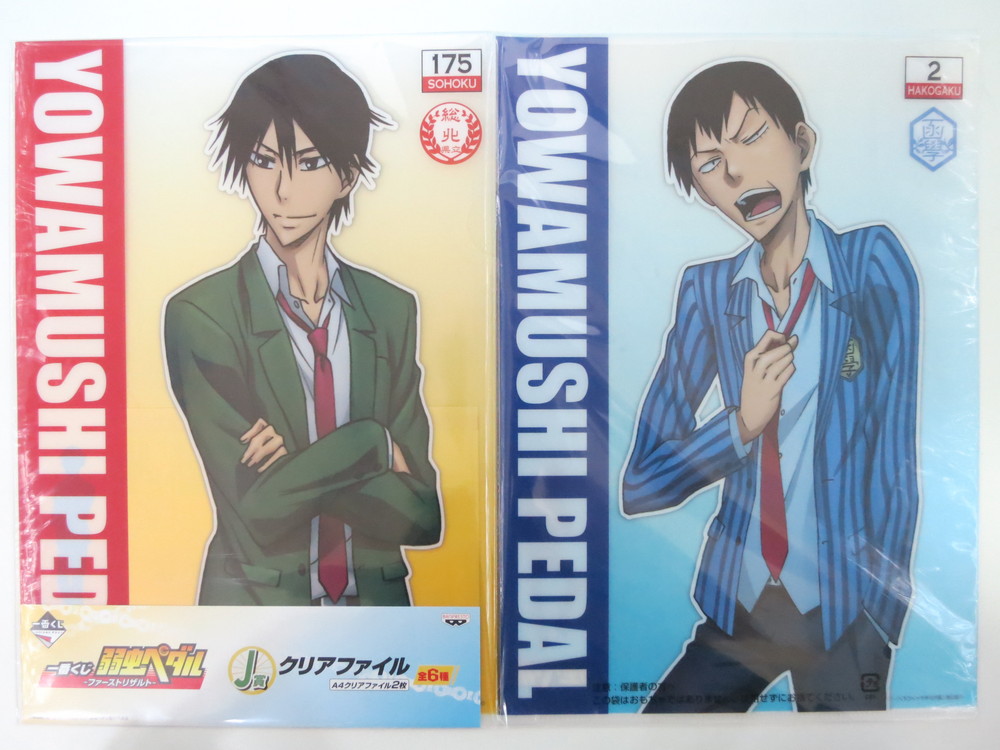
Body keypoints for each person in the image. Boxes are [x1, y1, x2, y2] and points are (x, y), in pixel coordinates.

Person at [622, 60, 920, 711]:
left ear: (802, 144)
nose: (733, 173)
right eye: (708, 164)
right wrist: (740, 425)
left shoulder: (871, 264)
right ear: (702, 191)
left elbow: (894, 457)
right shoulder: (707, 292)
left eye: (752, 137)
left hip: (846, 608)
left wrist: (880, 618)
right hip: (741, 603)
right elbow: (640, 484)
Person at [164, 53, 441, 607]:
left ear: (348, 176)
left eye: (311, 163)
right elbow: (259, 510)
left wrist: (296, 469)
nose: (283, 190)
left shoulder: (390, 310)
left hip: (379, 612)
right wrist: (371, 443)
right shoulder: (203, 314)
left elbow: (423, 516)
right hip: (254, 614)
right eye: (264, 161)